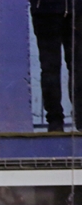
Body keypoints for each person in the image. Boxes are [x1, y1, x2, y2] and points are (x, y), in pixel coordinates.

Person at [29, 0, 82, 132]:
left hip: (73, 9)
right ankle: (55, 120)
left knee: (76, 67)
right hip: (46, 10)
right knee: (50, 67)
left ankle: (64, 120)